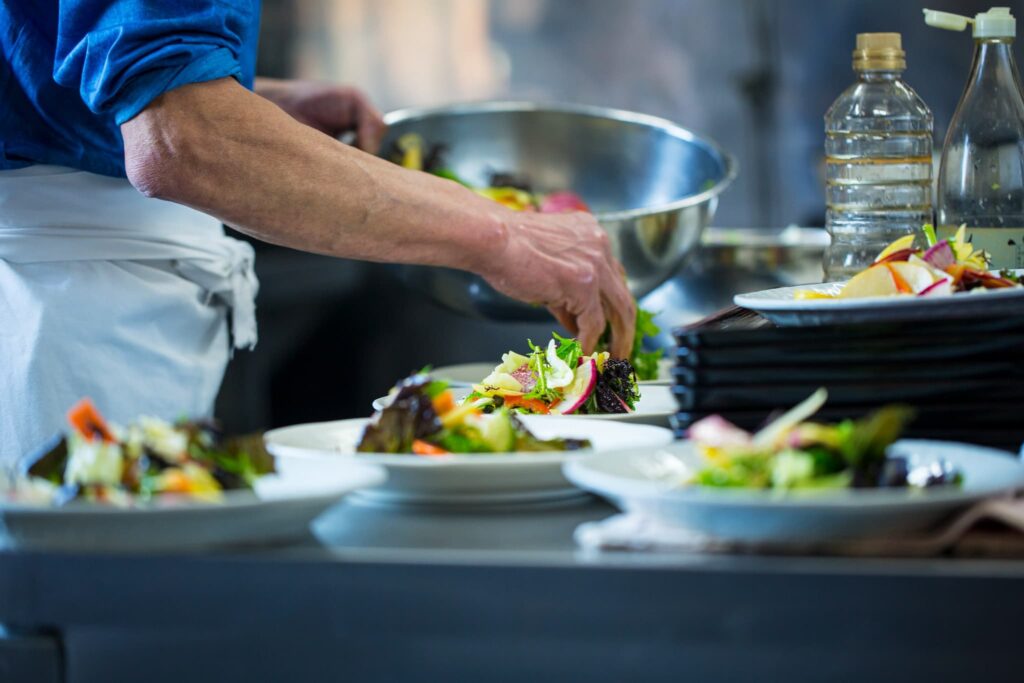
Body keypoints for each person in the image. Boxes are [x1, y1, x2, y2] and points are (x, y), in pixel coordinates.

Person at [0, 1, 635, 460]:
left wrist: (248, 99)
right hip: (70, 321)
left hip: (83, 303)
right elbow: (182, 139)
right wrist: (504, 235)